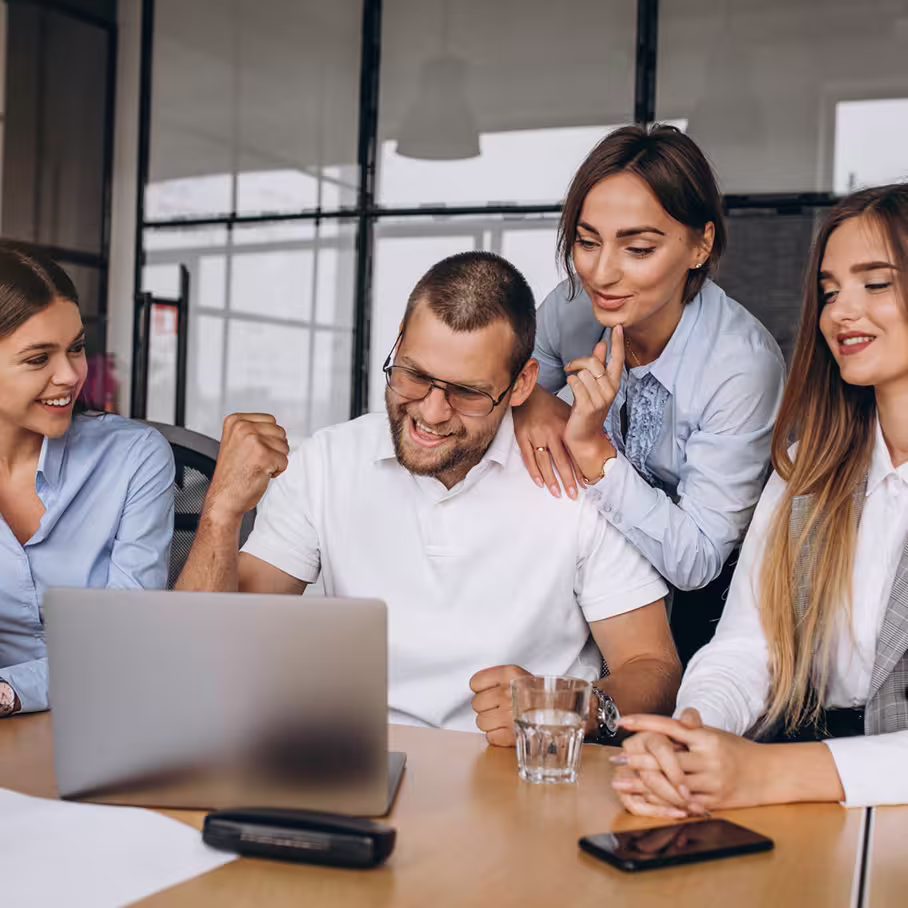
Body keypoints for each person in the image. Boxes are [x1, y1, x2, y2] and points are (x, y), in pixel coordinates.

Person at [177, 251, 680, 741]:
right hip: (356, 759)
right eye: (414, 375)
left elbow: (653, 667)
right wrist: (220, 512)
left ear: (523, 383)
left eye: (466, 392)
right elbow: (204, 656)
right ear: (397, 346)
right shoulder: (329, 461)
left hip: (514, 774)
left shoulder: (581, 482)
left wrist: (570, 707)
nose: (432, 413)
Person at [610, 184, 908, 813]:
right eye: (829, 292)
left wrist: (769, 776)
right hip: (794, 803)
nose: (841, 312)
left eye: (875, 283)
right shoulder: (807, 466)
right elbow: (751, 647)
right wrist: (695, 732)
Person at [514, 125, 786, 662]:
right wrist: (528, 402)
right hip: (575, 588)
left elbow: (698, 561)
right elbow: (497, 404)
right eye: (587, 242)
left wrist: (594, 450)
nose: (601, 272)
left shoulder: (741, 367)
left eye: (638, 248)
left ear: (700, 245)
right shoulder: (568, 310)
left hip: (700, 622)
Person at [0, 241, 174, 716]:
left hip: (112, 714)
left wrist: (8, 692)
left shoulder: (134, 458)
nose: (71, 375)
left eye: (76, 348)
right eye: (39, 359)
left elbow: (122, 645)